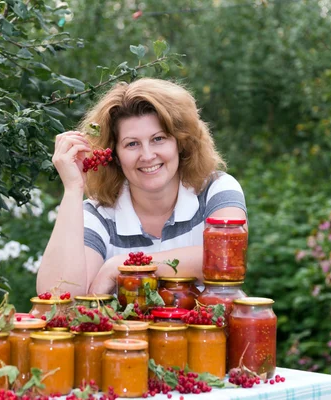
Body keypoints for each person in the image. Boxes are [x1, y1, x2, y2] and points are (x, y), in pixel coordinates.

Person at [36, 78, 247, 295]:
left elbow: (227, 258)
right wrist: (72, 189)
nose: (147, 156)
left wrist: (120, 267)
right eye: (132, 144)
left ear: (180, 142)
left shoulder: (216, 189)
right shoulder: (99, 216)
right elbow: (56, 300)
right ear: (115, 155)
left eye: (158, 139)